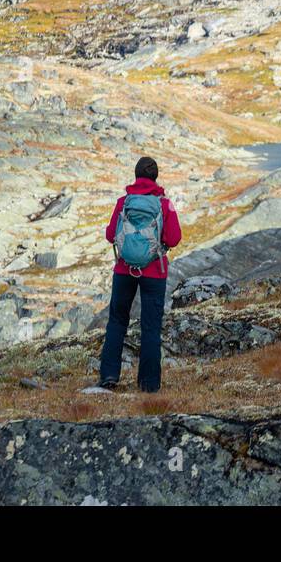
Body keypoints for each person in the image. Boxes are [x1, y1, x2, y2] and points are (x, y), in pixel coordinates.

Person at [96, 156, 182, 392]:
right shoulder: (164, 203)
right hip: (154, 272)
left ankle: (109, 375)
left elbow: (110, 234)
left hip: (124, 270)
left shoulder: (124, 201)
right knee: (151, 327)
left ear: (136, 175)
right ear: (156, 176)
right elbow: (174, 238)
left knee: (117, 321)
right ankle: (149, 385)